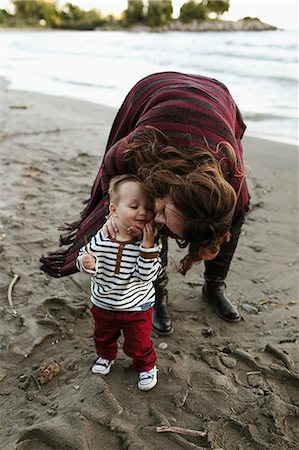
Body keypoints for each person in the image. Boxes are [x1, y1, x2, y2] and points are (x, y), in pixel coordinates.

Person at [40, 71, 250, 335]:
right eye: (163, 210)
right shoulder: (140, 147)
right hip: (156, 91)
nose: (159, 219)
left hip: (217, 104)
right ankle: (157, 295)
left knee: (233, 217)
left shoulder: (229, 170)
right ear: (167, 187)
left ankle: (214, 286)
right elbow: (111, 174)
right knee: (141, 217)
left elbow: (219, 220)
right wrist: (116, 216)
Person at [77, 174, 161, 391]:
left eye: (149, 208)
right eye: (134, 206)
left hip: (137, 307)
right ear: (114, 211)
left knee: (139, 343)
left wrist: (148, 246)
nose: (143, 212)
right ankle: (106, 356)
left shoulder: (149, 246)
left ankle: (146, 366)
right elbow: (85, 255)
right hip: (103, 302)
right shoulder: (102, 238)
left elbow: (147, 276)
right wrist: (86, 262)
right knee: (103, 336)